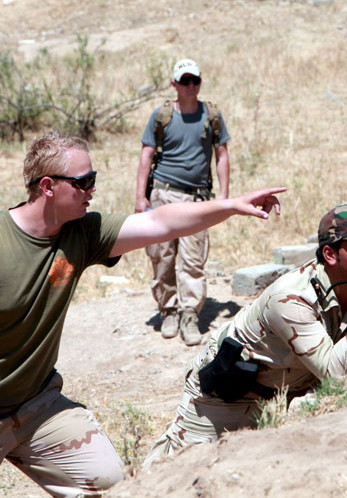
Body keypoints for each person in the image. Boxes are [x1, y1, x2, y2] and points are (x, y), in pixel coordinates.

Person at [0, 131, 284, 497]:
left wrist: (231, 205)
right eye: (83, 181)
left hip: (36, 405)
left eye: (94, 179)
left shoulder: (82, 233)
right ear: (48, 186)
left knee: (111, 482)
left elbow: (161, 222)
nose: (92, 190)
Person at [143, 204, 347, 466]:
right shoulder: (291, 297)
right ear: (330, 255)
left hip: (285, 391)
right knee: (179, 469)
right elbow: (336, 374)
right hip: (227, 393)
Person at [135, 58, 231, 346]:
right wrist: (140, 197)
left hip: (197, 198)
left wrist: (224, 197)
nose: (191, 86)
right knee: (162, 257)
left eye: (195, 80)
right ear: (174, 84)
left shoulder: (211, 115)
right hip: (163, 194)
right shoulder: (161, 116)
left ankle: (189, 314)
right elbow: (146, 155)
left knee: (193, 259)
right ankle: (168, 310)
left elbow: (222, 155)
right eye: (185, 81)